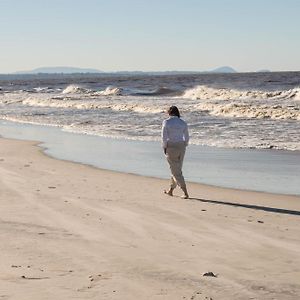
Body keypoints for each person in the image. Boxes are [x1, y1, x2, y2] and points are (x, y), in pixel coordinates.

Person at [162, 106, 189, 199]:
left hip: (171, 146)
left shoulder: (166, 122)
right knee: (177, 169)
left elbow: (164, 137)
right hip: (181, 146)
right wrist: (184, 145)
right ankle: (170, 190)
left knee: (175, 171)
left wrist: (164, 147)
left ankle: (185, 192)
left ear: (169, 113)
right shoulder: (183, 122)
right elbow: (186, 137)